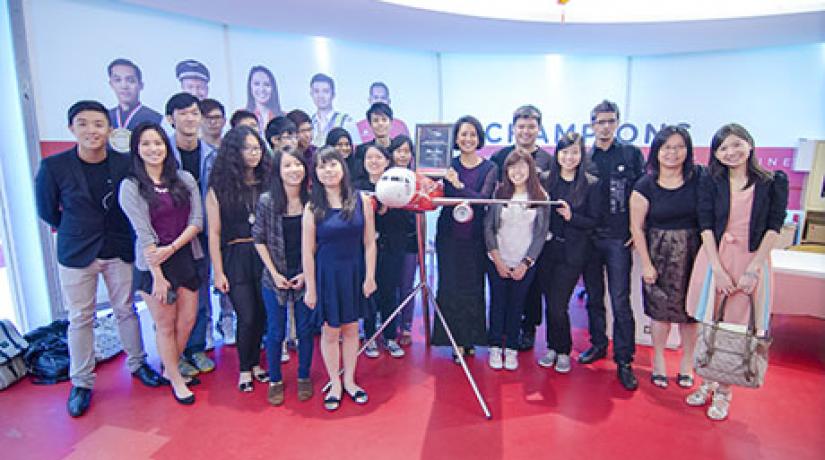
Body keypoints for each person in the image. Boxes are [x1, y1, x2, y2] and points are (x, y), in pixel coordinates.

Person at [34, 101, 165, 418]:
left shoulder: (124, 164)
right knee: (80, 317)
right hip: (76, 252)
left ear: (109, 129)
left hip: (117, 248)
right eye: (83, 124)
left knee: (126, 309)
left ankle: (138, 364)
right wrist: (75, 229)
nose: (92, 131)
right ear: (71, 129)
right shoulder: (54, 167)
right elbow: (47, 211)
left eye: (98, 124)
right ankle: (81, 382)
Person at [684, 123, 788, 421]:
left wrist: (753, 269)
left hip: (751, 261)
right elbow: (705, 224)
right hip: (715, 258)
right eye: (723, 147)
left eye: (735, 145)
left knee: (735, 329)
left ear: (749, 144)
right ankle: (706, 381)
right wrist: (716, 268)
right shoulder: (710, 181)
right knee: (709, 324)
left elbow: (774, 227)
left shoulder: (771, 181)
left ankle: (724, 392)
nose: (730, 152)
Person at [119, 123, 204, 405]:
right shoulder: (131, 186)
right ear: (137, 150)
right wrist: (157, 274)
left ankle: (169, 367)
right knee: (165, 323)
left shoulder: (184, 178)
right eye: (146, 144)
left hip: (183, 255)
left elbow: (197, 221)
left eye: (158, 143)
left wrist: (173, 248)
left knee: (189, 318)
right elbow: (143, 233)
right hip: (152, 262)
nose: (153, 149)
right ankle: (176, 378)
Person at [303, 147, 377, 411]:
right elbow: (308, 252)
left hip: (354, 272)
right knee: (330, 331)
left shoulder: (362, 201)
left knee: (351, 329)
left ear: (342, 167)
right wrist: (310, 288)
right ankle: (334, 382)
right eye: (322, 167)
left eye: (332, 164)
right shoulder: (312, 207)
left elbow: (369, 243)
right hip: (327, 274)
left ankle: (350, 380)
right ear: (316, 173)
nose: (328, 170)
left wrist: (370, 276)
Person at [629, 126, 703, 389]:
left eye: (678, 147)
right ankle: (658, 360)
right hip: (659, 253)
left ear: (688, 150)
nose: (672, 153)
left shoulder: (699, 178)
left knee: (691, 313)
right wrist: (646, 263)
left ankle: (687, 364)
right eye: (666, 147)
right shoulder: (645, 184)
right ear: (657, 151)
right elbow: (636, 227)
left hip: (695, 253)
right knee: (660, 313)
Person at [580, 100, 645, 391]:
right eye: (599, 121)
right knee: (594, 296)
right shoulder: (584, 156)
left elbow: (643, 194)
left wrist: (637, 229)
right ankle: (597, 344)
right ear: (592, 124)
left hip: (619, 238)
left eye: (610, 121)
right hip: (589, 238)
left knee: (620, 300)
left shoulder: (631, 154)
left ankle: (624, 359)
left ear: (617, 123)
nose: (605, 126)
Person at [207, 126, 273, 392]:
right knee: (245, 315)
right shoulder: (219, 187)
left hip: (265, 254)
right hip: (235, 255)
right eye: (247, 148)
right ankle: (244, 368)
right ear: (234, 152)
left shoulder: (269, 181)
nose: (253, 153)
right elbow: (213, 232)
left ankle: (256, 364)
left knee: (263, 314)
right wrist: (218, 271)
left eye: (257, 147)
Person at [432, 116, 497, 362]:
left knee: (473, 288)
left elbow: (482, 200)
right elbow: (434, 194)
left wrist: (456, 184)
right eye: (463, 134)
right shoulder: (446, 164)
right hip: (448, 237)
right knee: (449, 287)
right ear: (455, 139)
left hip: (476, 238)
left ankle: (470, 340)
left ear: (479, 137)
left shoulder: (489, 168)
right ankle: (454, 341)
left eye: (472, 134)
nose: (467, 139)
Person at [253, 146, 314, 406]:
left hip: (305, 275)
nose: (293, 170)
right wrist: (274, 273)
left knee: (305, 329)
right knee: (276, 331)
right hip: (274, 276)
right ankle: (275, 379)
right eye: (287, 165)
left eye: (298, 164)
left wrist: (304, 273)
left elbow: (318, 240)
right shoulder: (267, 200)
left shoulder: (313, 200)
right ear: (278, 170)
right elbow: (259, 239)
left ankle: (304, 377)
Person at [489, 105, 553, 351]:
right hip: (504, 233)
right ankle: (502, 333)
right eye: (521, 126)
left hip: (534, 236)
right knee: (501, 292)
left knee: (531, 288)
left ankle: (527, 330)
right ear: (513, 128)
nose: (526, 131)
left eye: (531, 126)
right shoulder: (500, 155)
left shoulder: (548, 159)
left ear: (539, 129)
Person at [536, 132, 600, 373]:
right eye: (564, 151)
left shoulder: (590, 183)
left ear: (581, 154)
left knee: (558, 304)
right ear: (557, 154)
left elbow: (594, 220)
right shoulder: (545, 179)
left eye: (574, 152)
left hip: (572, 252)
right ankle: (552, 347)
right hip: (546, 250)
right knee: (549, 303)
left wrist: (573, 217)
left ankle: (563, 349)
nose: (569, 157)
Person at [165, 93, 217, 377]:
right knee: (170, 299)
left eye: (194, 113)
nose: (189, 118)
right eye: (182, 113)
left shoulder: (211, 154)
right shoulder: (162, 152)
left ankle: (195, 347)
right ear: (171, 119)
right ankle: (172, 354)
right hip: (170, 237)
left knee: (200, 294)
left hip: (204, 233)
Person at [484, 151, 550, 371]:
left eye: (522, 166)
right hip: (498, 259)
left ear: (531, 169)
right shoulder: (499, 193)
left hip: (525, 263)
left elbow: (541, 234)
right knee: (497, 303)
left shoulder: (541, 196)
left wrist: (526, 263)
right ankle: (495, 346)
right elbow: (489, 228)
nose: (517, 172)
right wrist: (498, 260)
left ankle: (511, 348)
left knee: (516, 305)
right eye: (512, 167)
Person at [354, 145, 407, 358]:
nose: (374, 161)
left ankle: (391, 336)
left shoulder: (398, 184)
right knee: (369, 292)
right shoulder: (357, 187)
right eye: (369, 157)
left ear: (387, 161)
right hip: (365, 249)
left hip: (392, 247)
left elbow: (406, 219)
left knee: (389, 293)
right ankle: (369, 337)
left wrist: (389, 208)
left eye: (379, 157)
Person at [198, 98, 235, 348]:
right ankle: (207, 327)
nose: (214, 122)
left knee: (228, 277)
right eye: (208, 118)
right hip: (197, 224)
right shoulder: (195, 150)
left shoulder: (229, 150)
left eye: (218, 117)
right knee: (203, 281)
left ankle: (228, 320)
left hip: (228, 223)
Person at [387, 135, 418, 346]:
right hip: (388, 241)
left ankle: (406, 326)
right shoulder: (385, 178)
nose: (402, 155)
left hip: (411, 241)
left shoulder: (419, 179)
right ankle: (388, 325)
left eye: (406, 151)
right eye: (399, 151)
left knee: (407, 286)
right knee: (389, 285)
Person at [106, 58, 162, 151]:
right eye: (117, 80)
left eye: (130, 80)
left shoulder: (156, 119)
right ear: (111, 84)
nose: (124, 86)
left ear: (141, 85)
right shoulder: (105, 118)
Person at [308, 73, 359, 147]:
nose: (321, 96)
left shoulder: (346, 121)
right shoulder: (309, 122)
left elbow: (355, 150)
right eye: (316, 91)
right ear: (311, 94)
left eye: (325, 91)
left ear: (333, 94)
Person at [351, 102, 394, 185]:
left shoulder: (398, 149)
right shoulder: (362, 150)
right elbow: (358, 178)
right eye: (376, 120)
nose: (380, 124)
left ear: (391, 122)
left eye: (384, 120)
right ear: (370, 124)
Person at [245, 66, 283, 134]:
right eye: (256, 84)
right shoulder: (243, 118)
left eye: (267, 85)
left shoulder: (283, 116)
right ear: (250, 87)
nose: (262, 89)